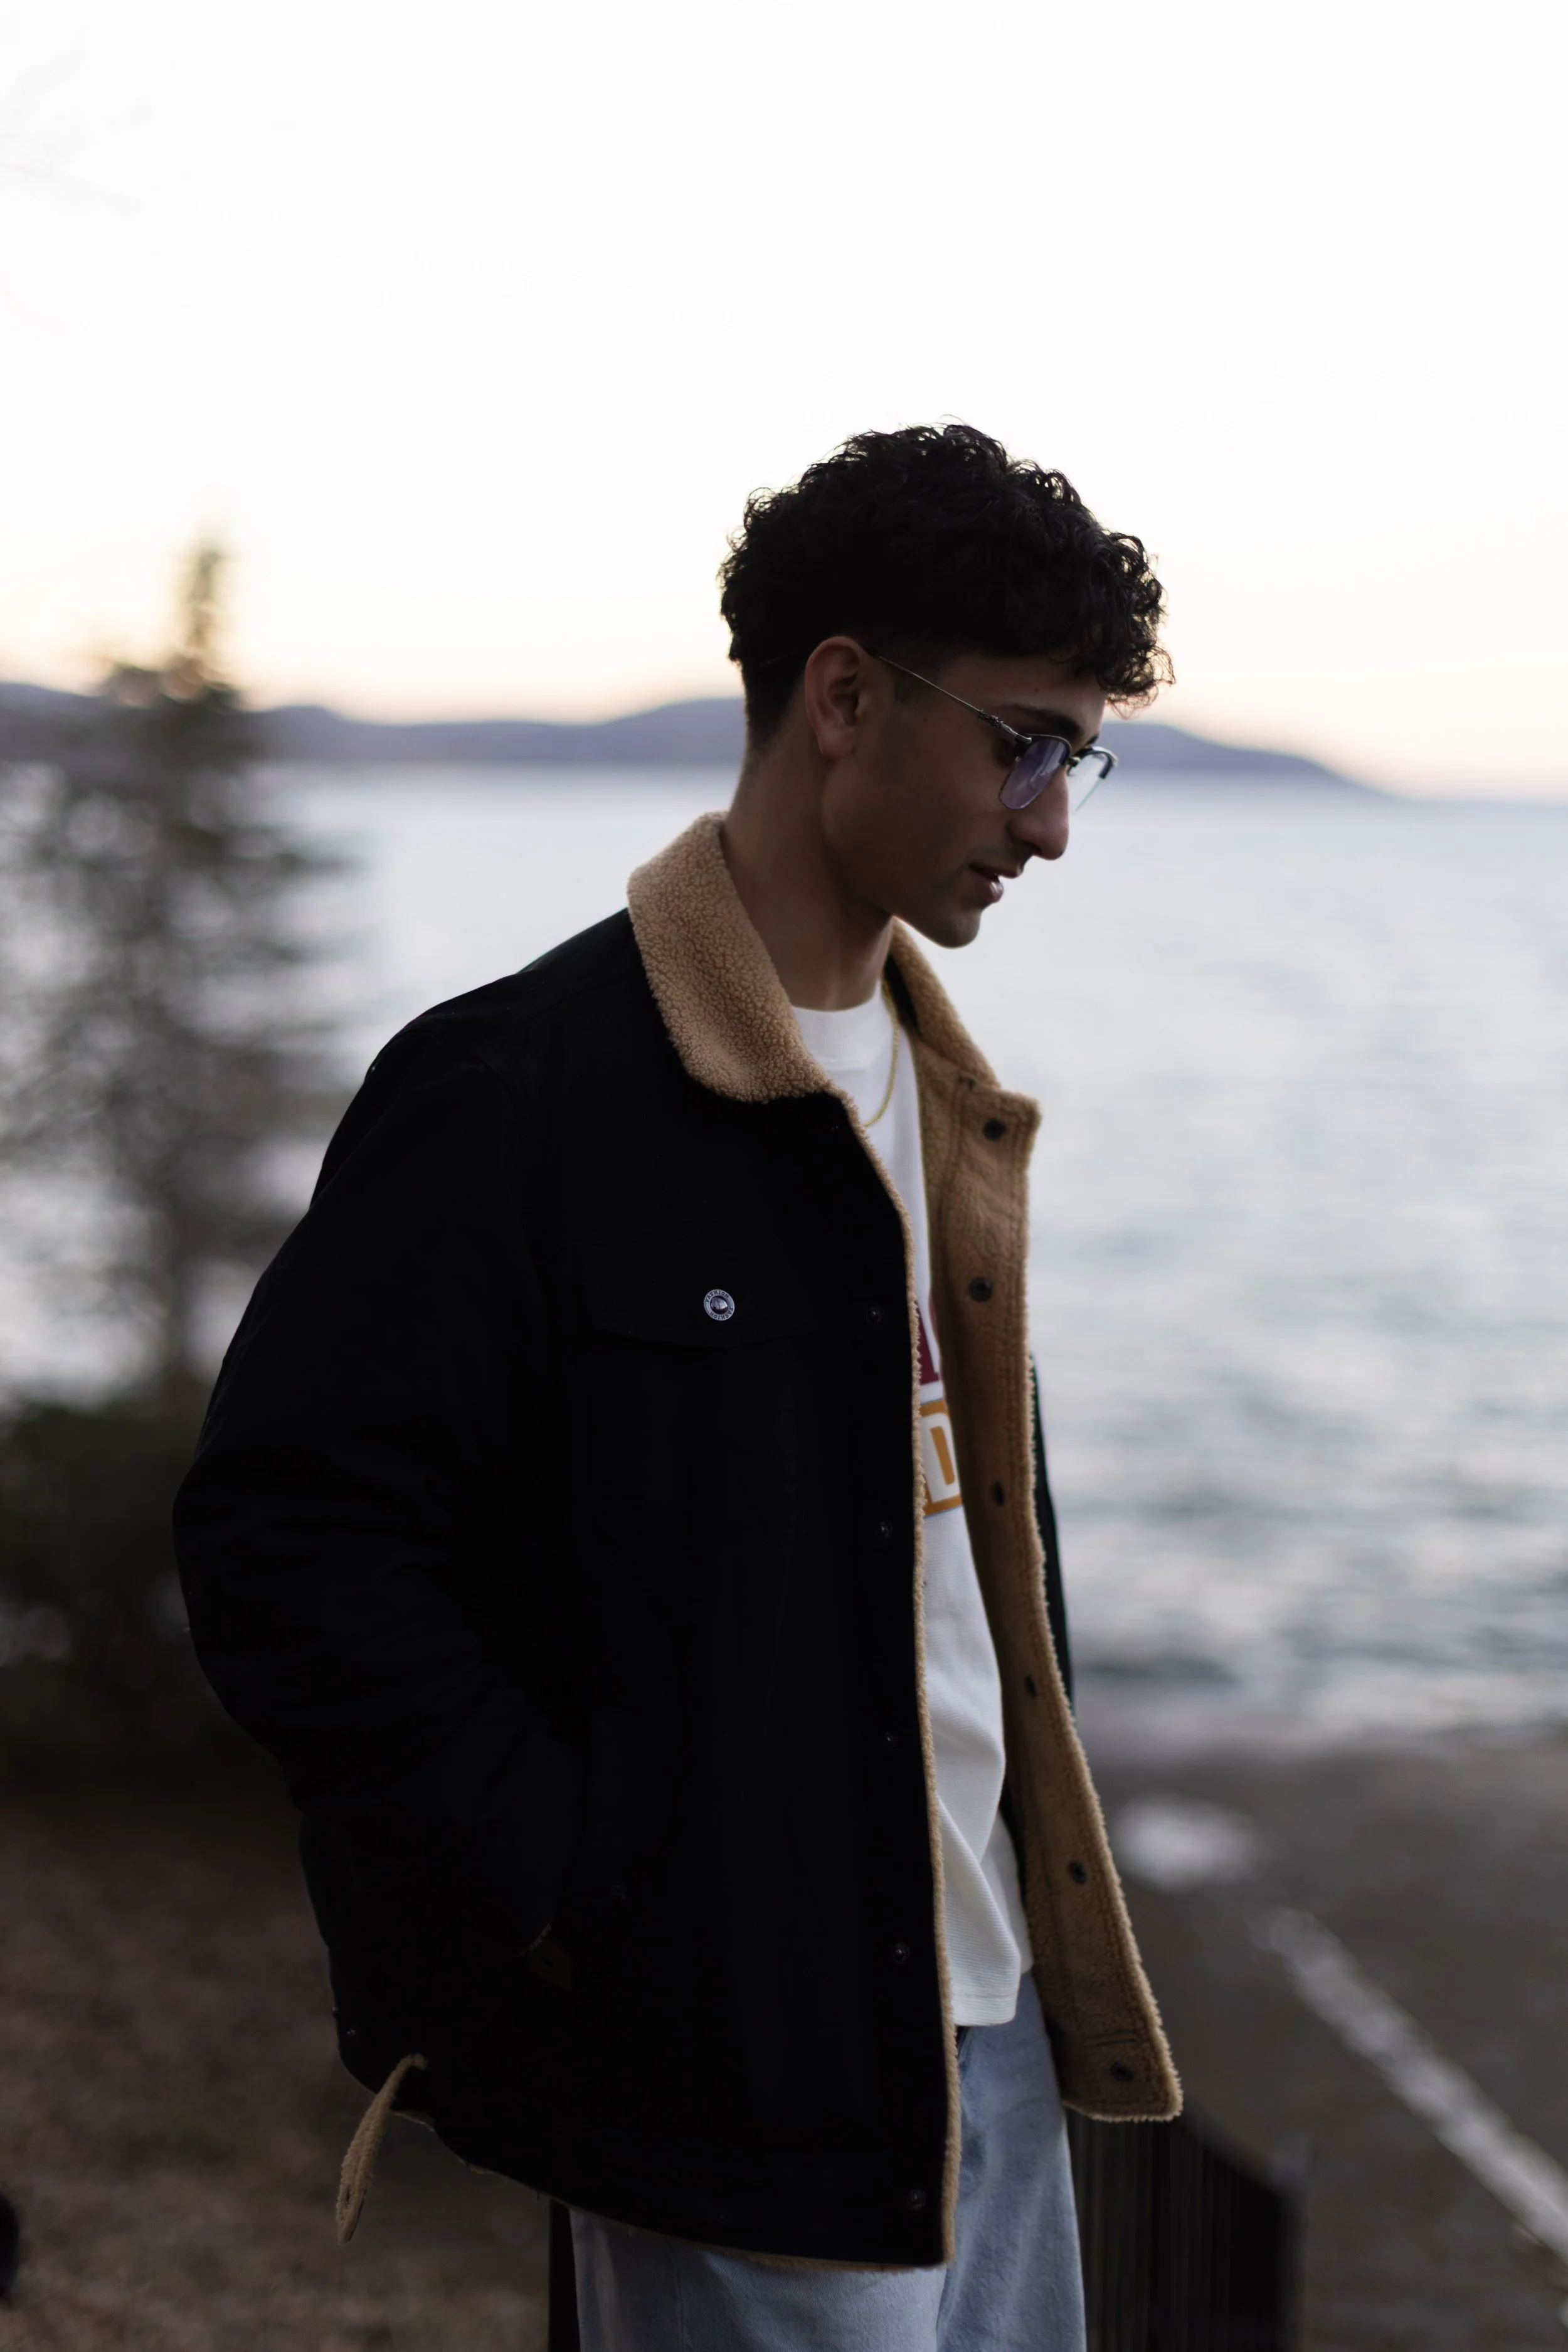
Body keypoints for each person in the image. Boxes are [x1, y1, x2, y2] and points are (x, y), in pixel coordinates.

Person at [174, 422, 1181, 2351]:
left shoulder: (944, 1093)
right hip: (734, 2078)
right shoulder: (518, 1096)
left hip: (988, 2037)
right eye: (1026, 742)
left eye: (1082, 754)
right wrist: (585, 1906)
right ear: (841, 695)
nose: (1052, 818)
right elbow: (287, 1546)